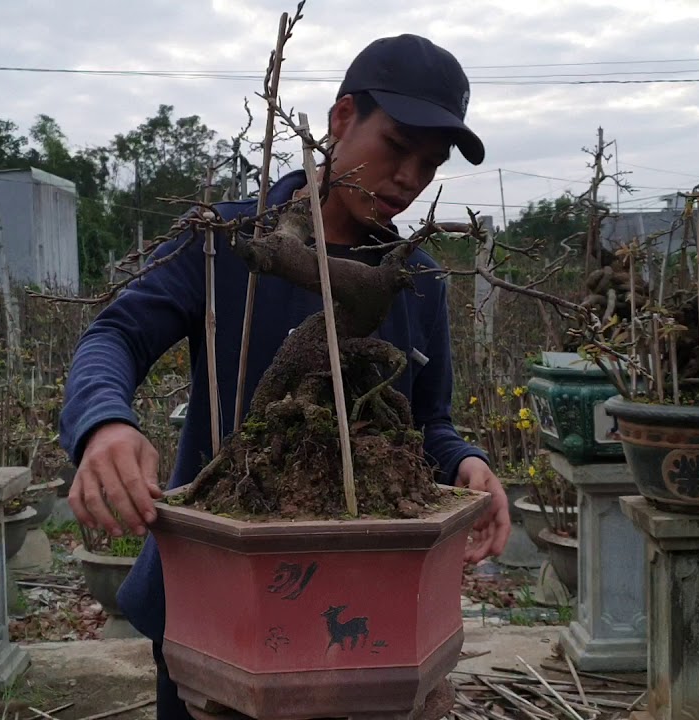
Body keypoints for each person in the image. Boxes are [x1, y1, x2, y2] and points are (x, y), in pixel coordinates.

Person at [59, 32, 511, 719]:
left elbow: (428, 424)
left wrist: (469, 463)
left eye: (429, 164)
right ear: (340, 119)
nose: (409, 180)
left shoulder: (413, 279)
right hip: (210, 608)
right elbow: (115, 335)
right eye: (396, 147)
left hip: (372, 617)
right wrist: (104, 424)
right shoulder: (229, 243)